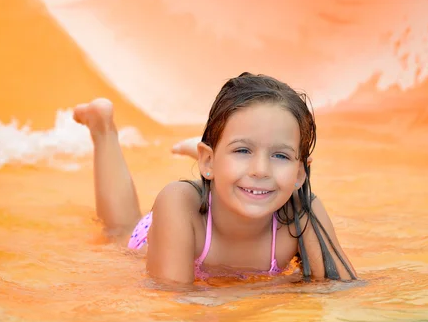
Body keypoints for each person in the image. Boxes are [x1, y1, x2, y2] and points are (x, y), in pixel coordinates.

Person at [73, 72, 357, 285]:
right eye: (243, 150)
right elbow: (173, 298)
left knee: (241, 176)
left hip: (222, 178)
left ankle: (225, 158)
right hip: (160, 232)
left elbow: (339, 288)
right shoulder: (178, 202)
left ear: (299, 173)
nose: (261, 170)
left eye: (280, 156)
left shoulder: (301, 212)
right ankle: (103, 130)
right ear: (207, 161)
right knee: (119, 229)